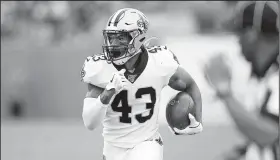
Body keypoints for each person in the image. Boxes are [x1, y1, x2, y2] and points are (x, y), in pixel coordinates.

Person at [80, 8, 203, 160]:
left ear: (138, 38)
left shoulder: (160, 63)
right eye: (111, 38)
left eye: (121, 38)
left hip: (147, 143)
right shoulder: (100, 68)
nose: (114, 43)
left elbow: (190, 85)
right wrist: (108, 93)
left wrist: (197, 119)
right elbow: (90, 123)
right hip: (113, 147)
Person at [204, 1, 279, 160]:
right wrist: (243, 152)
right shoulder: (262, 75)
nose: (237, 41)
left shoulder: (276, 76)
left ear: (251, 34)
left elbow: (270, 134)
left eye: (239, 33)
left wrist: (225, 93)